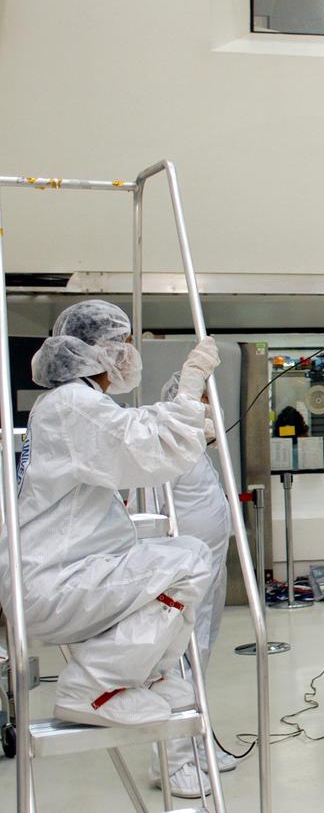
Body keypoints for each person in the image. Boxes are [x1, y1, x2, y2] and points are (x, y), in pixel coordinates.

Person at [0, 300, 219, 727]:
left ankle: (151, 676)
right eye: (124, 343)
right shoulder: (73, 404)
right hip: (54, 581)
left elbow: (131, 428)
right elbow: (146, 448)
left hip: (58, 571)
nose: (129, 354)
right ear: (97, 351)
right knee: (188, 563)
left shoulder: (71, 403)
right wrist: (189, 389)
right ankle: (92, 688)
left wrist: (187, 419)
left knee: (181, 560)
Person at [148, 371, 238, 798]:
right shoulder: (166, 445)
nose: (209, 407)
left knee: (198, 656)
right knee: (178, 664)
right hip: (181, 576)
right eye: (203, 398)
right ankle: (171, 760)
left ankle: (196, 742)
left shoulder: (194, 448)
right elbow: (156, 515)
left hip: (207, 570)